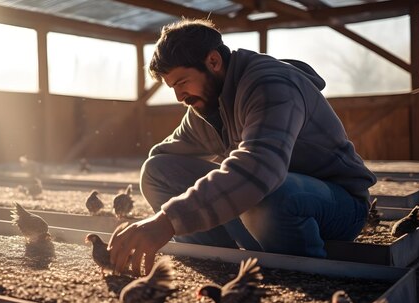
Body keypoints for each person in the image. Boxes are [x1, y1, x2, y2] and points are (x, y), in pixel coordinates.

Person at [108, 18, 376, 277]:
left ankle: (305, 275)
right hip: (267, 204)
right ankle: (221, 264)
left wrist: (168, 221)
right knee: (157, 171)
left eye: (181, 82)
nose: (179, 97)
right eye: (172, 88)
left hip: (336, 207)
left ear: (213, 61)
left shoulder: (272, 85)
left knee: (267, 192)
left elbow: (259, 170)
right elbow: (163, 158)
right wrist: (160, 221)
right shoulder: (205, 108)